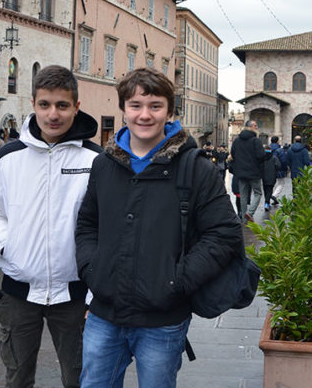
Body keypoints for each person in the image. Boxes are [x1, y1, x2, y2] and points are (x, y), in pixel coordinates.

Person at [75, 68, 242, 388]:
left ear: (169, 111)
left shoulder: (195, 168)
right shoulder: (103, 164)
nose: (144, 115)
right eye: (136, 105)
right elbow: (87, 224)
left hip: (163, 319)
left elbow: (224, 233)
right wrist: (92, 269)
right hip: (104, 314)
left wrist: (177, 281)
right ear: (123, 109)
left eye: (155, 106)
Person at [0, 65, 102, 388]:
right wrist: (6, 244)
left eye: (62, 105)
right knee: (17, 378)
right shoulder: (9, 156)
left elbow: (108, 224)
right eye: (45, 104)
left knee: (80, 379)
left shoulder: (95, 161)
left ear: (76, 106)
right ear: (33, 104)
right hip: (19, 292)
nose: (53, 114)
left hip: (75, 294)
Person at [230, 119, 267, 222]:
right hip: (254, 172)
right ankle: (249, 212)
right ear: (250, 127)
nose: (257, 127)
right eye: (255, 126)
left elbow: (233, 154)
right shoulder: (256, 140)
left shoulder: (237, 140)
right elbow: (260, 156)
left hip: (241, 172)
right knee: (258, 193)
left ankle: (244, 218)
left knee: (243, 195)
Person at [269, 135, 287, 204]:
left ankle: (268, 199)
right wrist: (285, 169)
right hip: (279, 168)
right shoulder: (280, 149)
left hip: (269, 169)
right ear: (277, 141)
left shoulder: (268, 148)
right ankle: (274, 195)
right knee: (281, 183)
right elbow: (283, 160)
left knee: (270, 184)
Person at [262, 145, 279, 211]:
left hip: (264, 176)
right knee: (269, 189)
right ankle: (266, 203)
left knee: (265, 189)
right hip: (272, 175)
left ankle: (267, 202)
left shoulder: (262, 158)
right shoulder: (274, 157)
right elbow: (278, 165)